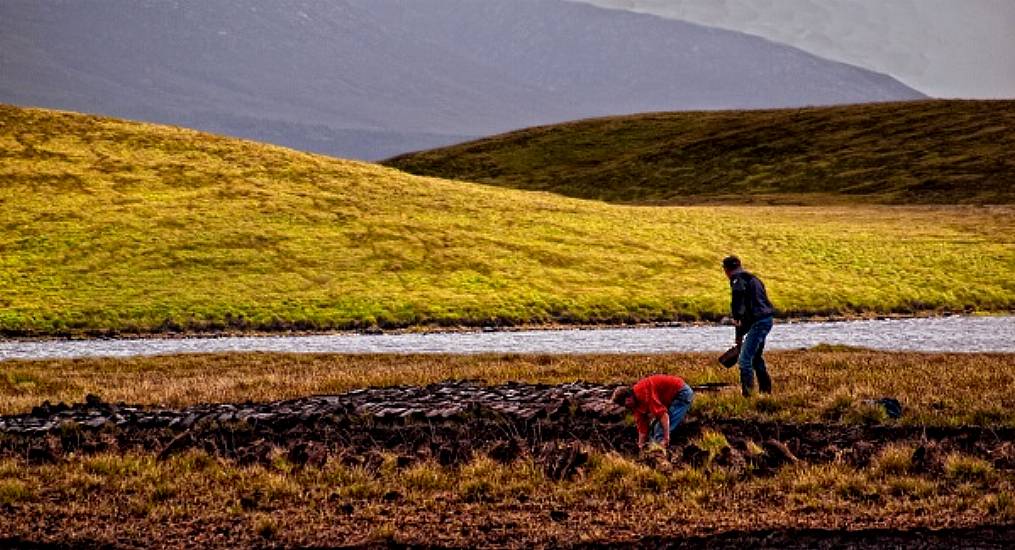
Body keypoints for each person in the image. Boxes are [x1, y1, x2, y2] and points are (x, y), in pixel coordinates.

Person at [722, 255, 775, 397]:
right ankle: (766, 392)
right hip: (766, 320)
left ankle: (748, 396)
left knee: (744, 360)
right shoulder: (753, 279)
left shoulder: (737, 280)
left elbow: (739, 303)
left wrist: (737, 318)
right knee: (756, 357)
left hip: (758, 322)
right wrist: (740, 336)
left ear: (726, 270)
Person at [611, 374, 694, 450]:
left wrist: (666, 438)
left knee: (659, 432)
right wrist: (640, 447)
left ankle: (659, 459)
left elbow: (663, 416)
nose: (625, 407)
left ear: (628, 398)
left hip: (681, 394)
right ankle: (650, 455)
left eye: (624, 404)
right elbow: (642, 429)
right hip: (670, 399)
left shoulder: (644, 393)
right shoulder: (635, 404)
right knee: (652, 432)